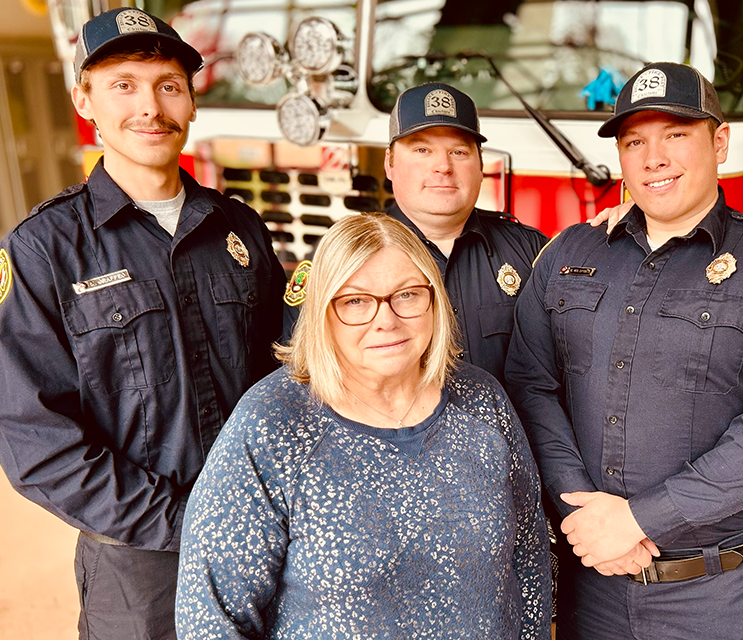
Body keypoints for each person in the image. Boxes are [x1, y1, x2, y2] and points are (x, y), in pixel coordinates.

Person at [505, 62, 743, 640]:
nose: (652, 158)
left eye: (676, 135)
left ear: (720, 141)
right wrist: (582, 515)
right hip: (592, 584)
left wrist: (638, 519)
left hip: (723, 598)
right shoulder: (568, 252)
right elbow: (531, 385)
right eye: (634, 141)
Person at [0, 8, 286, 640]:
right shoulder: (43, 251)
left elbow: (286, 375)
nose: (149, 106)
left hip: (268, 541)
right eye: (123, 84)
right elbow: (34, 439)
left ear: (190, 102)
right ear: (84, 99)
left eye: (168, 85)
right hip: (140, 568)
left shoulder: (240, 230)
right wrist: (189, 520)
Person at [175, 213, 551, 639]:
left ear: (435, 300)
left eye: (407, 294)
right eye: (355, 301)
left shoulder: (482, 401)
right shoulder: (271, 423)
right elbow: (211, 619)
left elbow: (528, 563)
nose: (386, 320)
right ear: (323, 311)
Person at [285, 82, 547, 384]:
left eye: (459, 151)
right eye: (422, 149)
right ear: (389, 163)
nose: (442, 166)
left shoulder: (530, 250)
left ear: (480, 165)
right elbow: (303, 376)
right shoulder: (339, 257)